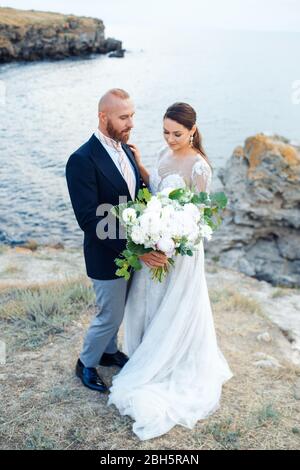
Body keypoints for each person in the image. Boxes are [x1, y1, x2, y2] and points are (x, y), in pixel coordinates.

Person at [107, 102, 233, 440]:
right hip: (157, 243)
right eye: (165, 132)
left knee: (175, 307)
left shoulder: (199, 166)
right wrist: (142, 166)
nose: (170, 138)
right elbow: (159, 188)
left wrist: (172, 243)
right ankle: (147, 352)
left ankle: (171, 360)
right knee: (149, 301)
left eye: (177, 133)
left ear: (192, 130)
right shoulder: (164, 154)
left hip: (180, 250)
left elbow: (201, 216)